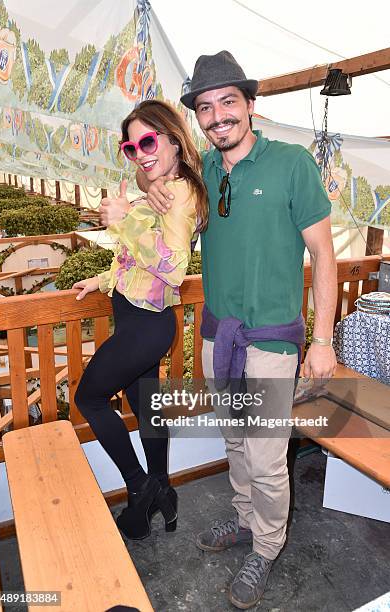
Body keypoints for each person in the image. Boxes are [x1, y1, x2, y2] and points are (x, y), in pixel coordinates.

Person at [102, 51, 337, 609]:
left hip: (274, 340)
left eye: (228, 102)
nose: (217, 116)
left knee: (265, 453)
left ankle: (267, 546)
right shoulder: (203, 171)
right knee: (233, 438)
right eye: (205, 108)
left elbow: (324, 257)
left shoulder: (292, 164)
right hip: (217, 336)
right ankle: (243, 521)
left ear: (250, 105)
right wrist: (147, 182)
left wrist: (322, 340)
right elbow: (154, 162)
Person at [73, 99, 208, 541]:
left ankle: (140, 484)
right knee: (149, 412)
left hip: (148, 326)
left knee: (89, 398)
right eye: (132, 147)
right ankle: (164, 494)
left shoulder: (181, 191)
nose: (141, 152)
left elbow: (170, 265)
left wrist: (124, 219)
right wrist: (102, 278)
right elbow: (135, 258)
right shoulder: (158, 186)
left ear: (173, 139)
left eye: (148, 140)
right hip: (137, 318)